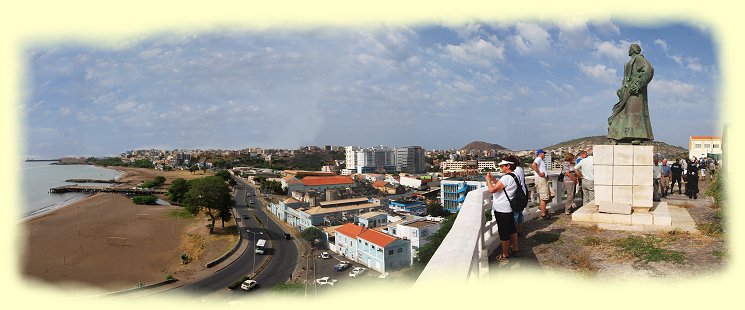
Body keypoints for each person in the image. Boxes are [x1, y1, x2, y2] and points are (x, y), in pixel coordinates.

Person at [607, 43, 655, 145]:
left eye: (629, 49)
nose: (628, 50)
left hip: (635, 91)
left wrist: (638, 85)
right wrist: (622, 90)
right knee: (619, 113)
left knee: (634, 114)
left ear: (633, 50)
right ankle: (617, 136)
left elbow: (648, 70)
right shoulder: (630, 62)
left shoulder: (639, 59)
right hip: (627, 91)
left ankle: (637, 136)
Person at [485, 158, 520, 262]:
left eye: (503, 166)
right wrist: (494, 179)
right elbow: (503, 185)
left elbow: (492, 190)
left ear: (508, 166)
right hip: (509, 208)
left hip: (502, 209)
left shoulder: (506, 178)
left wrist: (488, 180)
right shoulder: (514, 175)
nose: (501, 167)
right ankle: (515, 248)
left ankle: (505, 254)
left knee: (504, 232)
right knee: (512, 230)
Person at [506, 155, 527, 237]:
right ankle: (519, 231)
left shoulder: (516, 170)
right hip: (522, 194)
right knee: (519, 214)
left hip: (517, 195)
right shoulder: (520, 169)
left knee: (516, 214)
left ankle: (514, 233)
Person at [532, 149, 555, 220]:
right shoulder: (538, 158)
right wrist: (539, 173)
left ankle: (542, 207)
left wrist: (546, 176)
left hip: (544, 179)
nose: (544, 154)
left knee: (552, 194)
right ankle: (543, 214)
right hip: (540, 180)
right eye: (543, 153)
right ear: (540, 153)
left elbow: (542, 169)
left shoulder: (541, 160)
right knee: (544, 197)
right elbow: (533, 165)